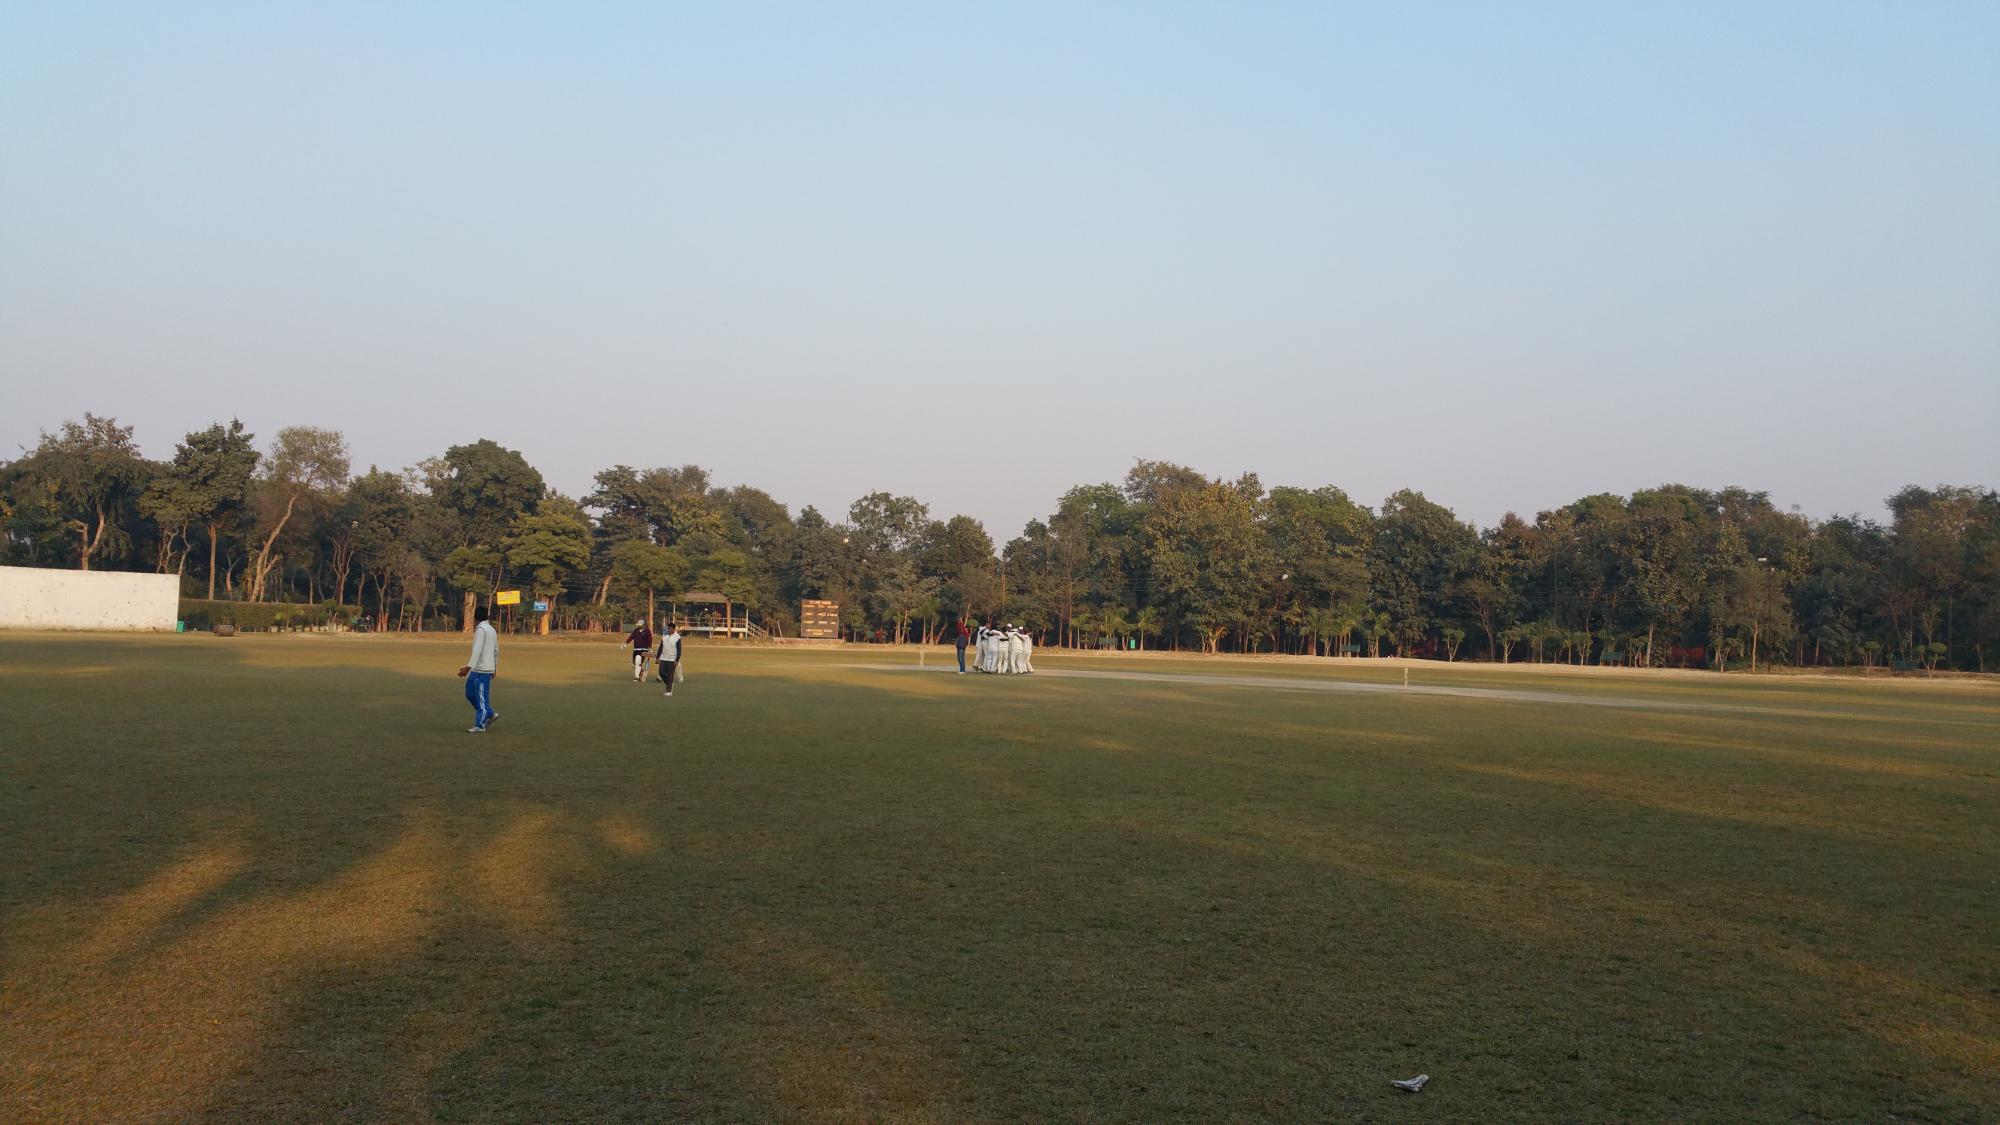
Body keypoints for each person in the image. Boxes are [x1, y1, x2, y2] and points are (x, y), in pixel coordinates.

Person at [458, 605, 499, 732]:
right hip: (477, 669)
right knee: (469, 693)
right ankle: (489, 713)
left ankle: (480, 725)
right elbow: (496, 651)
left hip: (483, 670)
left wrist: (467, 668)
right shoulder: (491, 630)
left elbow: (477, 650)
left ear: (475, 617)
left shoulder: (482, 630)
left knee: (481, 697)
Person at [657, 620, 683, 697]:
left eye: (671, 628)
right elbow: (660, 648)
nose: (670, 630)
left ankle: (669, 691)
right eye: (669, 628)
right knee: (661, 673)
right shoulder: (664, 637)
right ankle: (670, 684)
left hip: (672, 659)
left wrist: (677, 660)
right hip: (663, 658)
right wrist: (658, 657)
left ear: (674, 629)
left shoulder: (677, 637)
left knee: (670, 675)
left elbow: (679, 649)